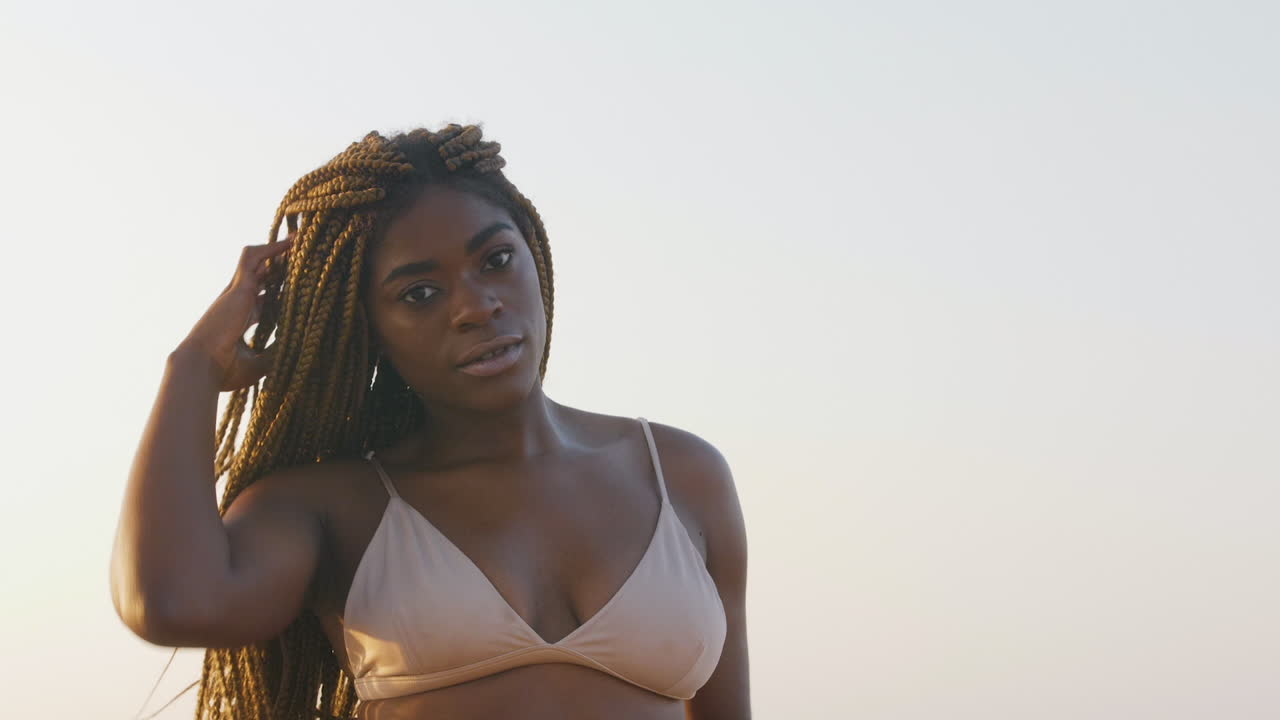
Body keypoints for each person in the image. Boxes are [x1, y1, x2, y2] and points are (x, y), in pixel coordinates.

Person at [110, 124, 751, 720]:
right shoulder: (337, 508)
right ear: (371, 330)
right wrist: (191, 367)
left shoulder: (682, 476)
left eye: (496, 260)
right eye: (420, 293)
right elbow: (171, 602)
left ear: (535, 255)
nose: (476, 306)